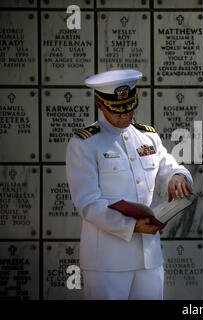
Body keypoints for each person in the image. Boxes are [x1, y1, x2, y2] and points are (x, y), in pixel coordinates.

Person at [65, 69, 194, 300]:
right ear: (100, 104)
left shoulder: (148, 137)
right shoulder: (85, 143)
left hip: (149, 257)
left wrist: (178, 175)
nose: (125, 116)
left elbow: (168, 164)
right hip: (106, 260)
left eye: (129, 108)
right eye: (117, 110)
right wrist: (132, 226)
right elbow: (87, 203)